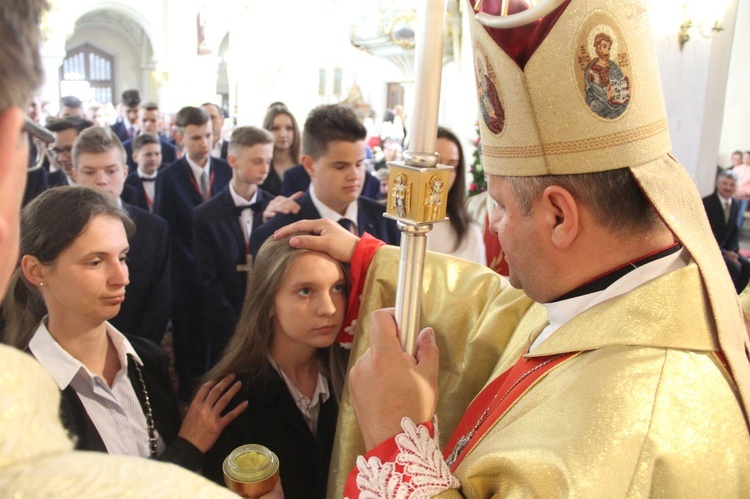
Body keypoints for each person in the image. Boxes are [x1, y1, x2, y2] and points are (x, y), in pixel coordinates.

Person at [276, 1, 750, 496]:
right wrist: (373, 263)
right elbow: (501, 316)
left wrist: (398, 446)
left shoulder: (639, 434)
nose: (493, 225)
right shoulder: (621, 296)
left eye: (499, 205)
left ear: (560, 216)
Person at [1, 186, 244, 469]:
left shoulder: (147, 360)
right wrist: (188, 447)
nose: (121, 278)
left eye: (123, 258)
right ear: (36, 271)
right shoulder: (18, 398)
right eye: (95, 262)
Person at [202, 234, 349, 499]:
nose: (328, 308)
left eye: (338, 288)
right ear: (269, 302)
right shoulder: (232, 400)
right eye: (305, 291)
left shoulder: (352, 376)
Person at [154, 105, 232, 399]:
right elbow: (167, 228)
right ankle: (190, 395)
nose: (204, 144)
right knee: (189, 338)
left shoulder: (225, 170)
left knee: (223, 334)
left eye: (208, 136)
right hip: (186, 273)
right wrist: (192, 262)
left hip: (221, 270)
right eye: (196, 137)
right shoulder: (169, 177)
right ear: (180, 137)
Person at [250, 104, 400, 256]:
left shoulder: (387, 222)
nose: (354, 175)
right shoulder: (277, 233)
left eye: (359, 164)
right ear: (309, 166)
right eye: (340, 166)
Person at [71, 126, 171, 345]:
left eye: (111, 170)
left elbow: (159, 301)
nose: (101, 180)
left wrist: (138, 349)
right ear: (74, 174)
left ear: (125, 172)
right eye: (89, 172)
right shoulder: (60, 228)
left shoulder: (154, 227)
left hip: (137, 344)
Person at [193, 126, 276, 366]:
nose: (265, 168)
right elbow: (208, 278)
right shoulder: (205, 215)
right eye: (257, 161)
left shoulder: (274, 207)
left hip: (268, 318)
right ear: (233, 160)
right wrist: (234, 322)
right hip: (224, 318)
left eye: (268, 161)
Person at [426, 126, 485, 264]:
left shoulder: (469, 232)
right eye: (436, 163)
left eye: (451, 166)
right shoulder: (387, 221)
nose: (443, 174)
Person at [703, 170, 750, 292]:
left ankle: (736, 299)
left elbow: (734, 231)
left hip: (727, 249)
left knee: (747, 266)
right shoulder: (707, 203)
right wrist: (724, 253)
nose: (728, 187)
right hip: (710, 249)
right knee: (734, 268)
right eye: (725, 183)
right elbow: (705, 235)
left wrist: (733, 251)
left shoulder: (736, 204)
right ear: (718, 184)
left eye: (732, 184)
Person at [122, 102, 177, 171]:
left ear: (159, 122)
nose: (148, 124)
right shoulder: (125, 148)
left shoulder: (170, 150)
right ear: (138, 121)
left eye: (153, 120)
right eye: (144, 120)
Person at [260, 104, 301, 195]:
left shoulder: (306, 166)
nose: (283, 134)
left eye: (289, 128)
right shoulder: (260, 168)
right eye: (275, 128)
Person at [45, 116, 93, 186]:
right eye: (57, 151)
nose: (61, 158)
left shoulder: (106, 182)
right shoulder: (46, 185)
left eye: (68, 149)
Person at [124, 132, 163, 212]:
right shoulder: (127, 183)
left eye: (157, 154)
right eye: (148, 154)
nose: (153, 158)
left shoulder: (168, 180)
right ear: (135, 157)